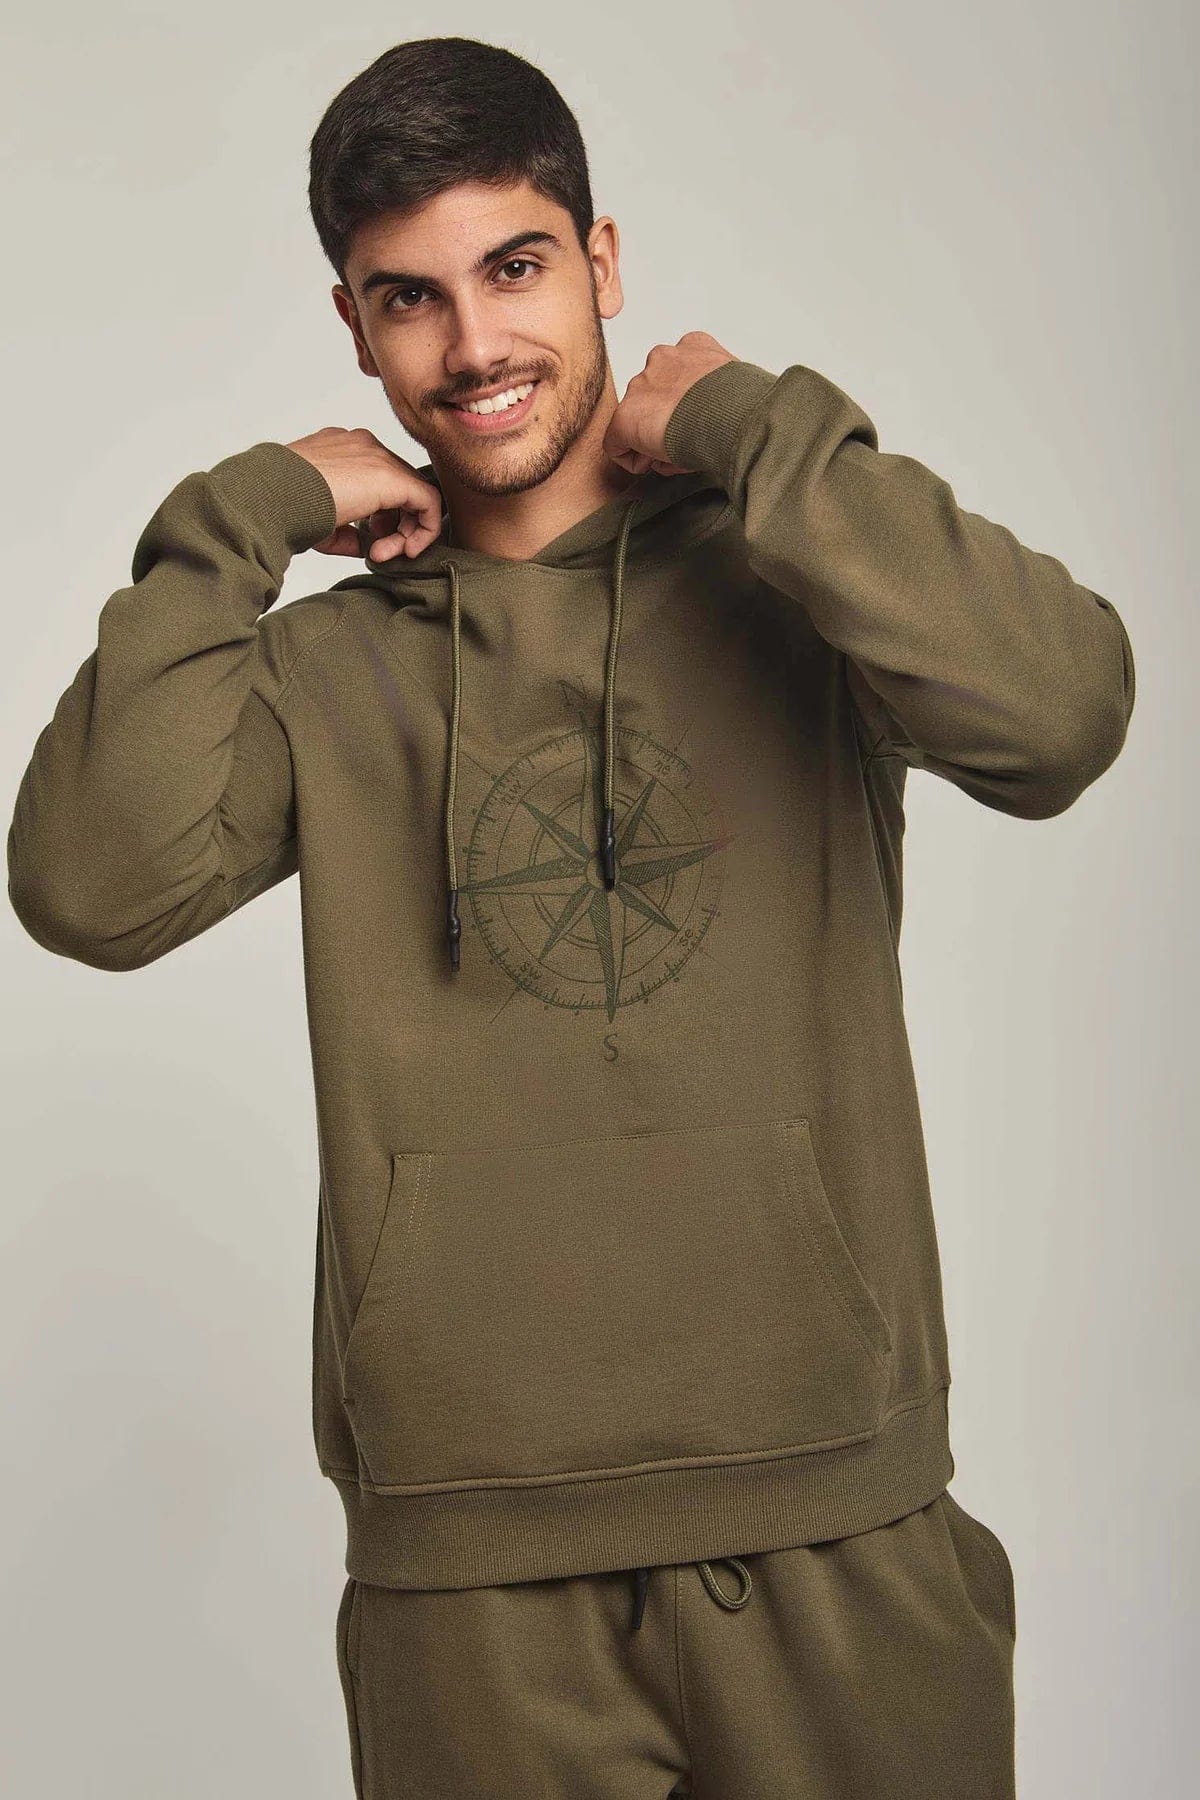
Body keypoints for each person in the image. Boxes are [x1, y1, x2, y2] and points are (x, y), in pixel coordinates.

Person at [7, 33, 1134, 1800]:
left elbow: (1063, 715)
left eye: (516, 267)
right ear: (355, 327)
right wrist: (246, 513)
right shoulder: (327, 673)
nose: (473, 346)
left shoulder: (800, 585)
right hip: (469, 1570)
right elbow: (87, 887)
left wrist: (756, 426)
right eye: (410, 298)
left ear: (603, 261)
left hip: (836, 1513)